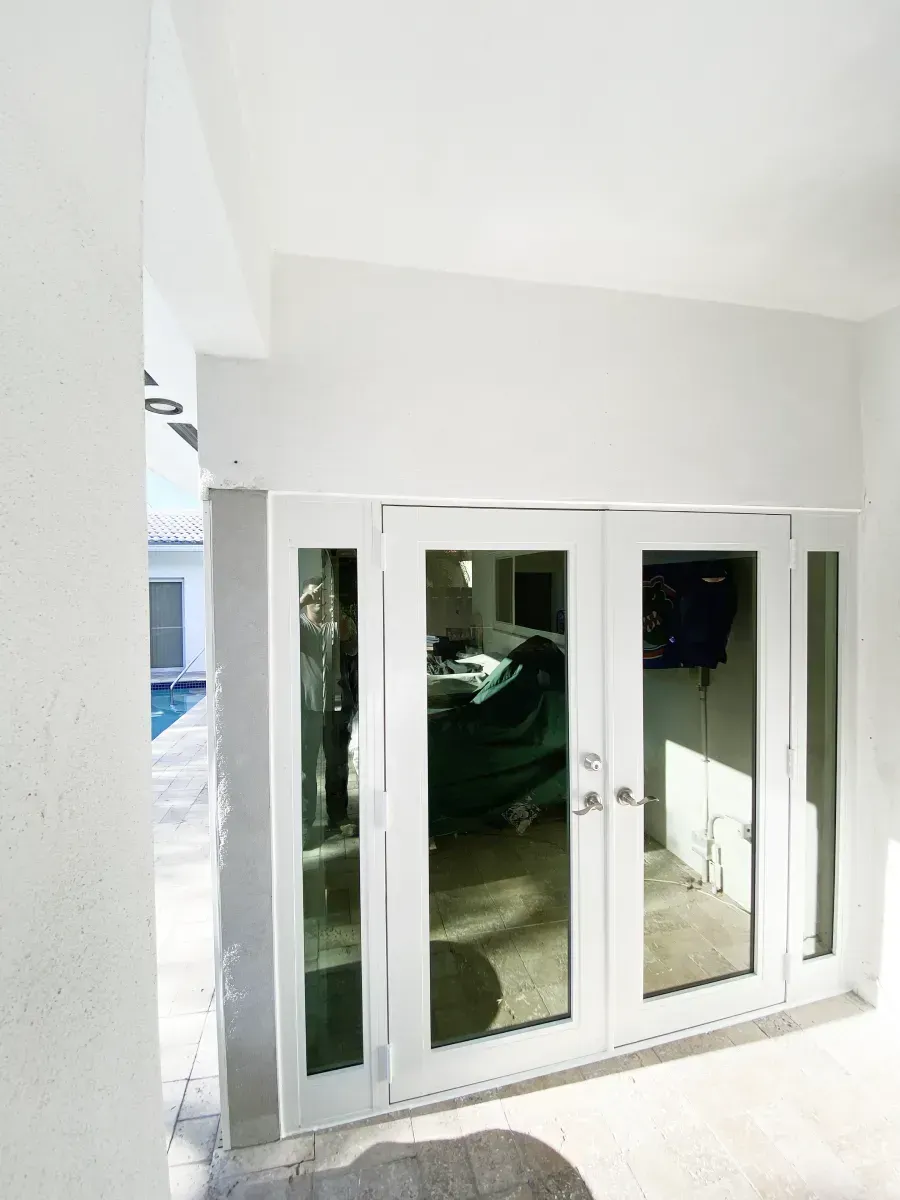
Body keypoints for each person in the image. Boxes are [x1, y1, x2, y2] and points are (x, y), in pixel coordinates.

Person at [299, 572, 358, 837]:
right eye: (315, 596)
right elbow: (274, 625)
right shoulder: (297, 626)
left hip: (336, 708)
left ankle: (338, 817)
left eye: (324, 596)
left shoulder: (337, 625)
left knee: (337, 767)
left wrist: (338, 610)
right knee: (304, 768)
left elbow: (352, 646)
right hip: (307, 709)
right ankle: (304, 821)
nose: (320, 601)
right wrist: (302, 599)